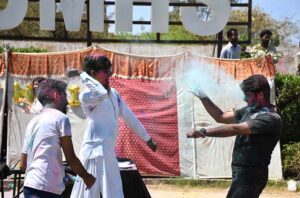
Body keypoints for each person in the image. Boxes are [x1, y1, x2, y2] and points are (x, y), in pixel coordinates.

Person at [66, 55, 157, 198]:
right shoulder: (86, 96)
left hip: (108, 153)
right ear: (93, 74)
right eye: (104, 70)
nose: (109, 74)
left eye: (109, 70)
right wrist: (81, 73)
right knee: (86, 195)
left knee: (115, 194)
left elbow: (129, 117)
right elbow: (100, 93)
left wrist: (147, 138)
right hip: (92, 154)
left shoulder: (114, 94)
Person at [187, 74, 282, 198]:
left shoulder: (270, 118)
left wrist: (203, 132)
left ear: (260, 95)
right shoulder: (248, 110)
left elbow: (236, 129)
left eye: (248, 95)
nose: (244, 99)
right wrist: (202, 96)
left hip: (252, 175)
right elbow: (220, 117)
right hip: (241, 173)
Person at [20, 79, 96, 198]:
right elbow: (71, 159)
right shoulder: (60, 118)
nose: (67, 101)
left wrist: (59, 174)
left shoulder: (33, 122)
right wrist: (87, 177)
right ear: (57, 95)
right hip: (47, 189)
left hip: (29, 186)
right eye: (65, 95)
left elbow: (22, 165)